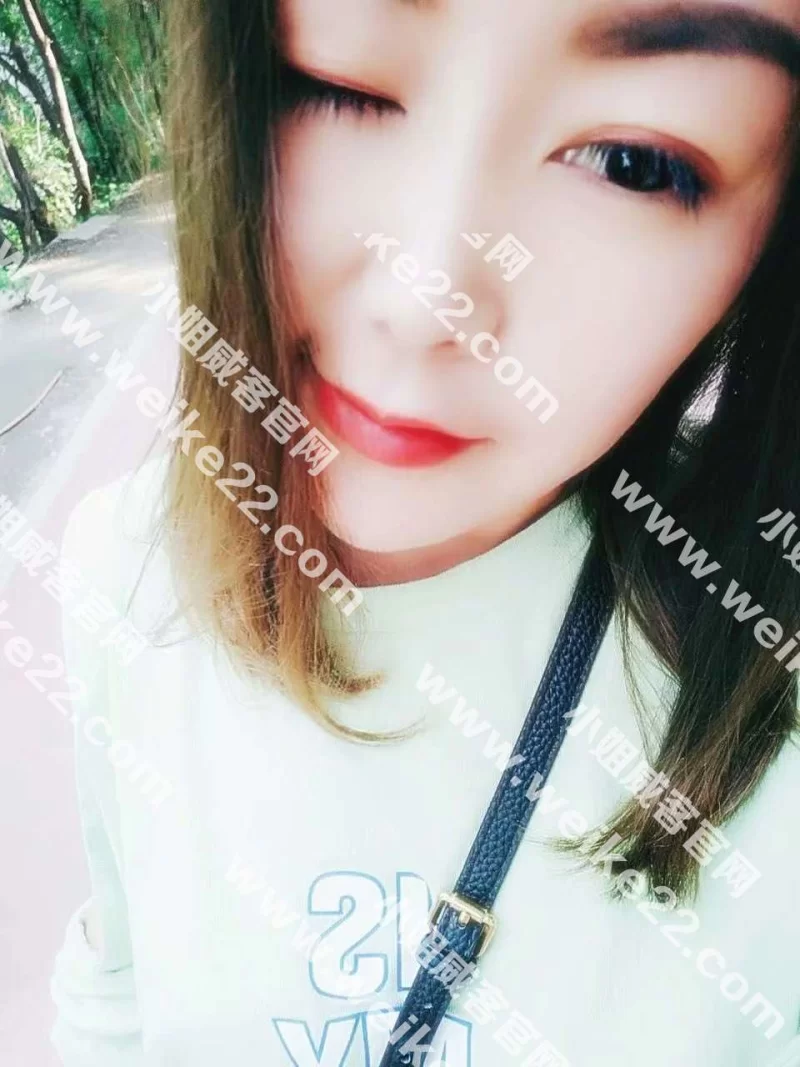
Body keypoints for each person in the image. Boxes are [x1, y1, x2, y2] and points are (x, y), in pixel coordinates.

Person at [49, 0, 800, 1064]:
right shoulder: (120, 567)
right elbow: (113, 992)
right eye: (334, 79)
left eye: (631, 163)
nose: (425, 298)